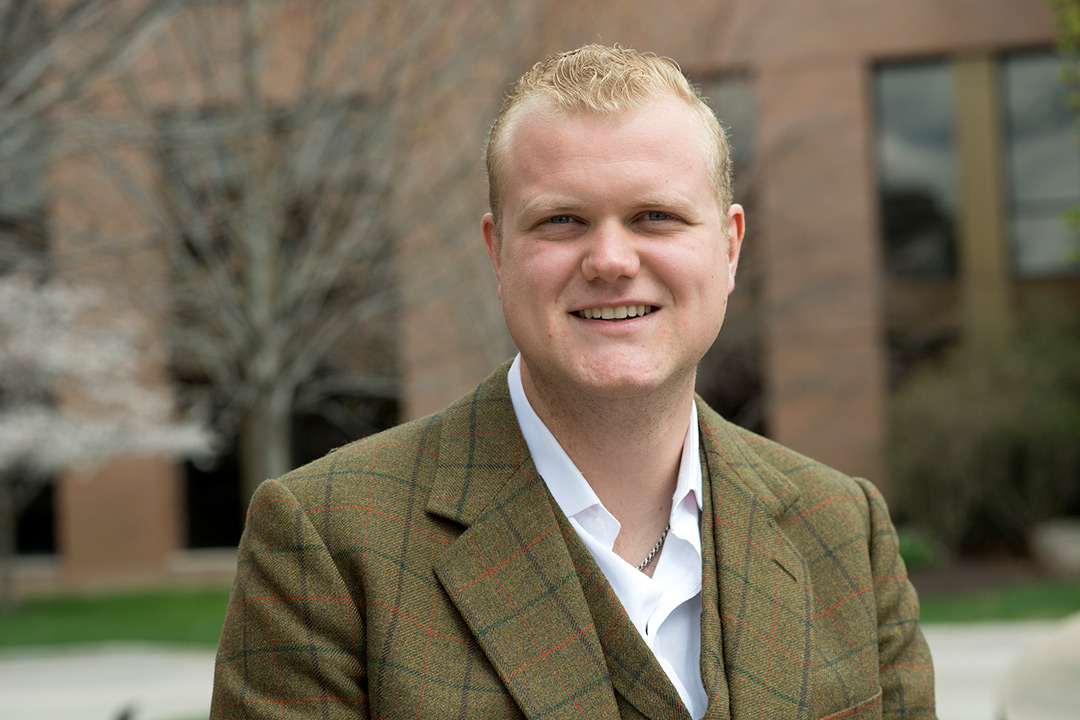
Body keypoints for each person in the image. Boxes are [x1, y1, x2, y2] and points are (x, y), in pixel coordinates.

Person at [211, 44, 936, 719]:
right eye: (562, 221)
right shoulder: (328, 545)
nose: (612, 260)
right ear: (498, 253)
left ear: (729, 246)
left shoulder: (842, 528)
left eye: (655, 216)